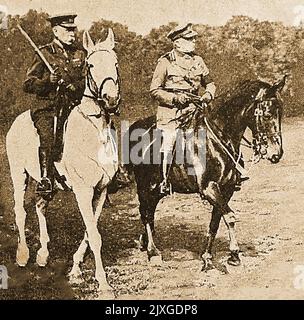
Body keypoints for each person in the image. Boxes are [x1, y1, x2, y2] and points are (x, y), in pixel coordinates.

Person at [23, 14, 86, 196]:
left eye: (73, 29)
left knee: (103, 127)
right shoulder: (44, 53)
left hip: (73, 106)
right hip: (48, 107)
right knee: (48, 136)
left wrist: (77, 86)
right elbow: (27, 84)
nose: (72, 34)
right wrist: (48, 81)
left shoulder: (79, 54)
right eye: (68, 30)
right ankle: (46, 179)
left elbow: (86, 79)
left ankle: (110, 175)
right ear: (56, 31)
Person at [150, 23, 216, 194]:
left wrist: (208, 94)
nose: (194, 41)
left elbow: (210, 83)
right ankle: (164, 180)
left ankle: (232, 171)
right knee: (169, 141)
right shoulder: (165, 62)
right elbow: (154, 90)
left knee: (217, 133)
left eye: (194, 38)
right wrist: (175, 98)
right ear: (177, 43)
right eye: (189, 39)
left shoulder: (198, 61)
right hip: (172, 113)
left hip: (195, 109)